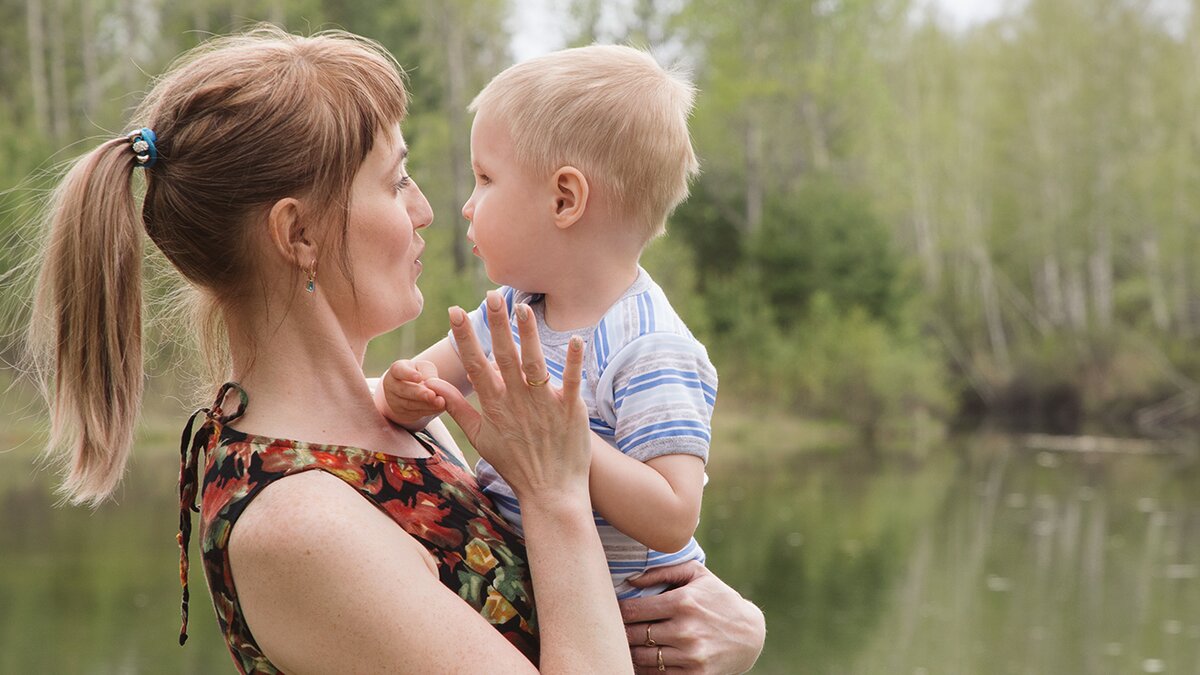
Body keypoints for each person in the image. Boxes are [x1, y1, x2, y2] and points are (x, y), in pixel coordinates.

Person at [27, 27, 765, 673]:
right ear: (299, 236)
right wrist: (554, 492)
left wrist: (730, 630)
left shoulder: (394, 426)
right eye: (396, 180)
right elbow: (558, 523)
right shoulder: (299, 522)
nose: (428, 210)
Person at [374, 45, 714, 600]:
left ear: (564, 200)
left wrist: (562, 439)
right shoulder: (516, 309)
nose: (466, 205)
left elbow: (674, 515)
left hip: (626, 630)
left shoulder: (648, 346)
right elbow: (418, 380)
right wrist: (405, 390)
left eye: (485, 178)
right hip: (532, 597)